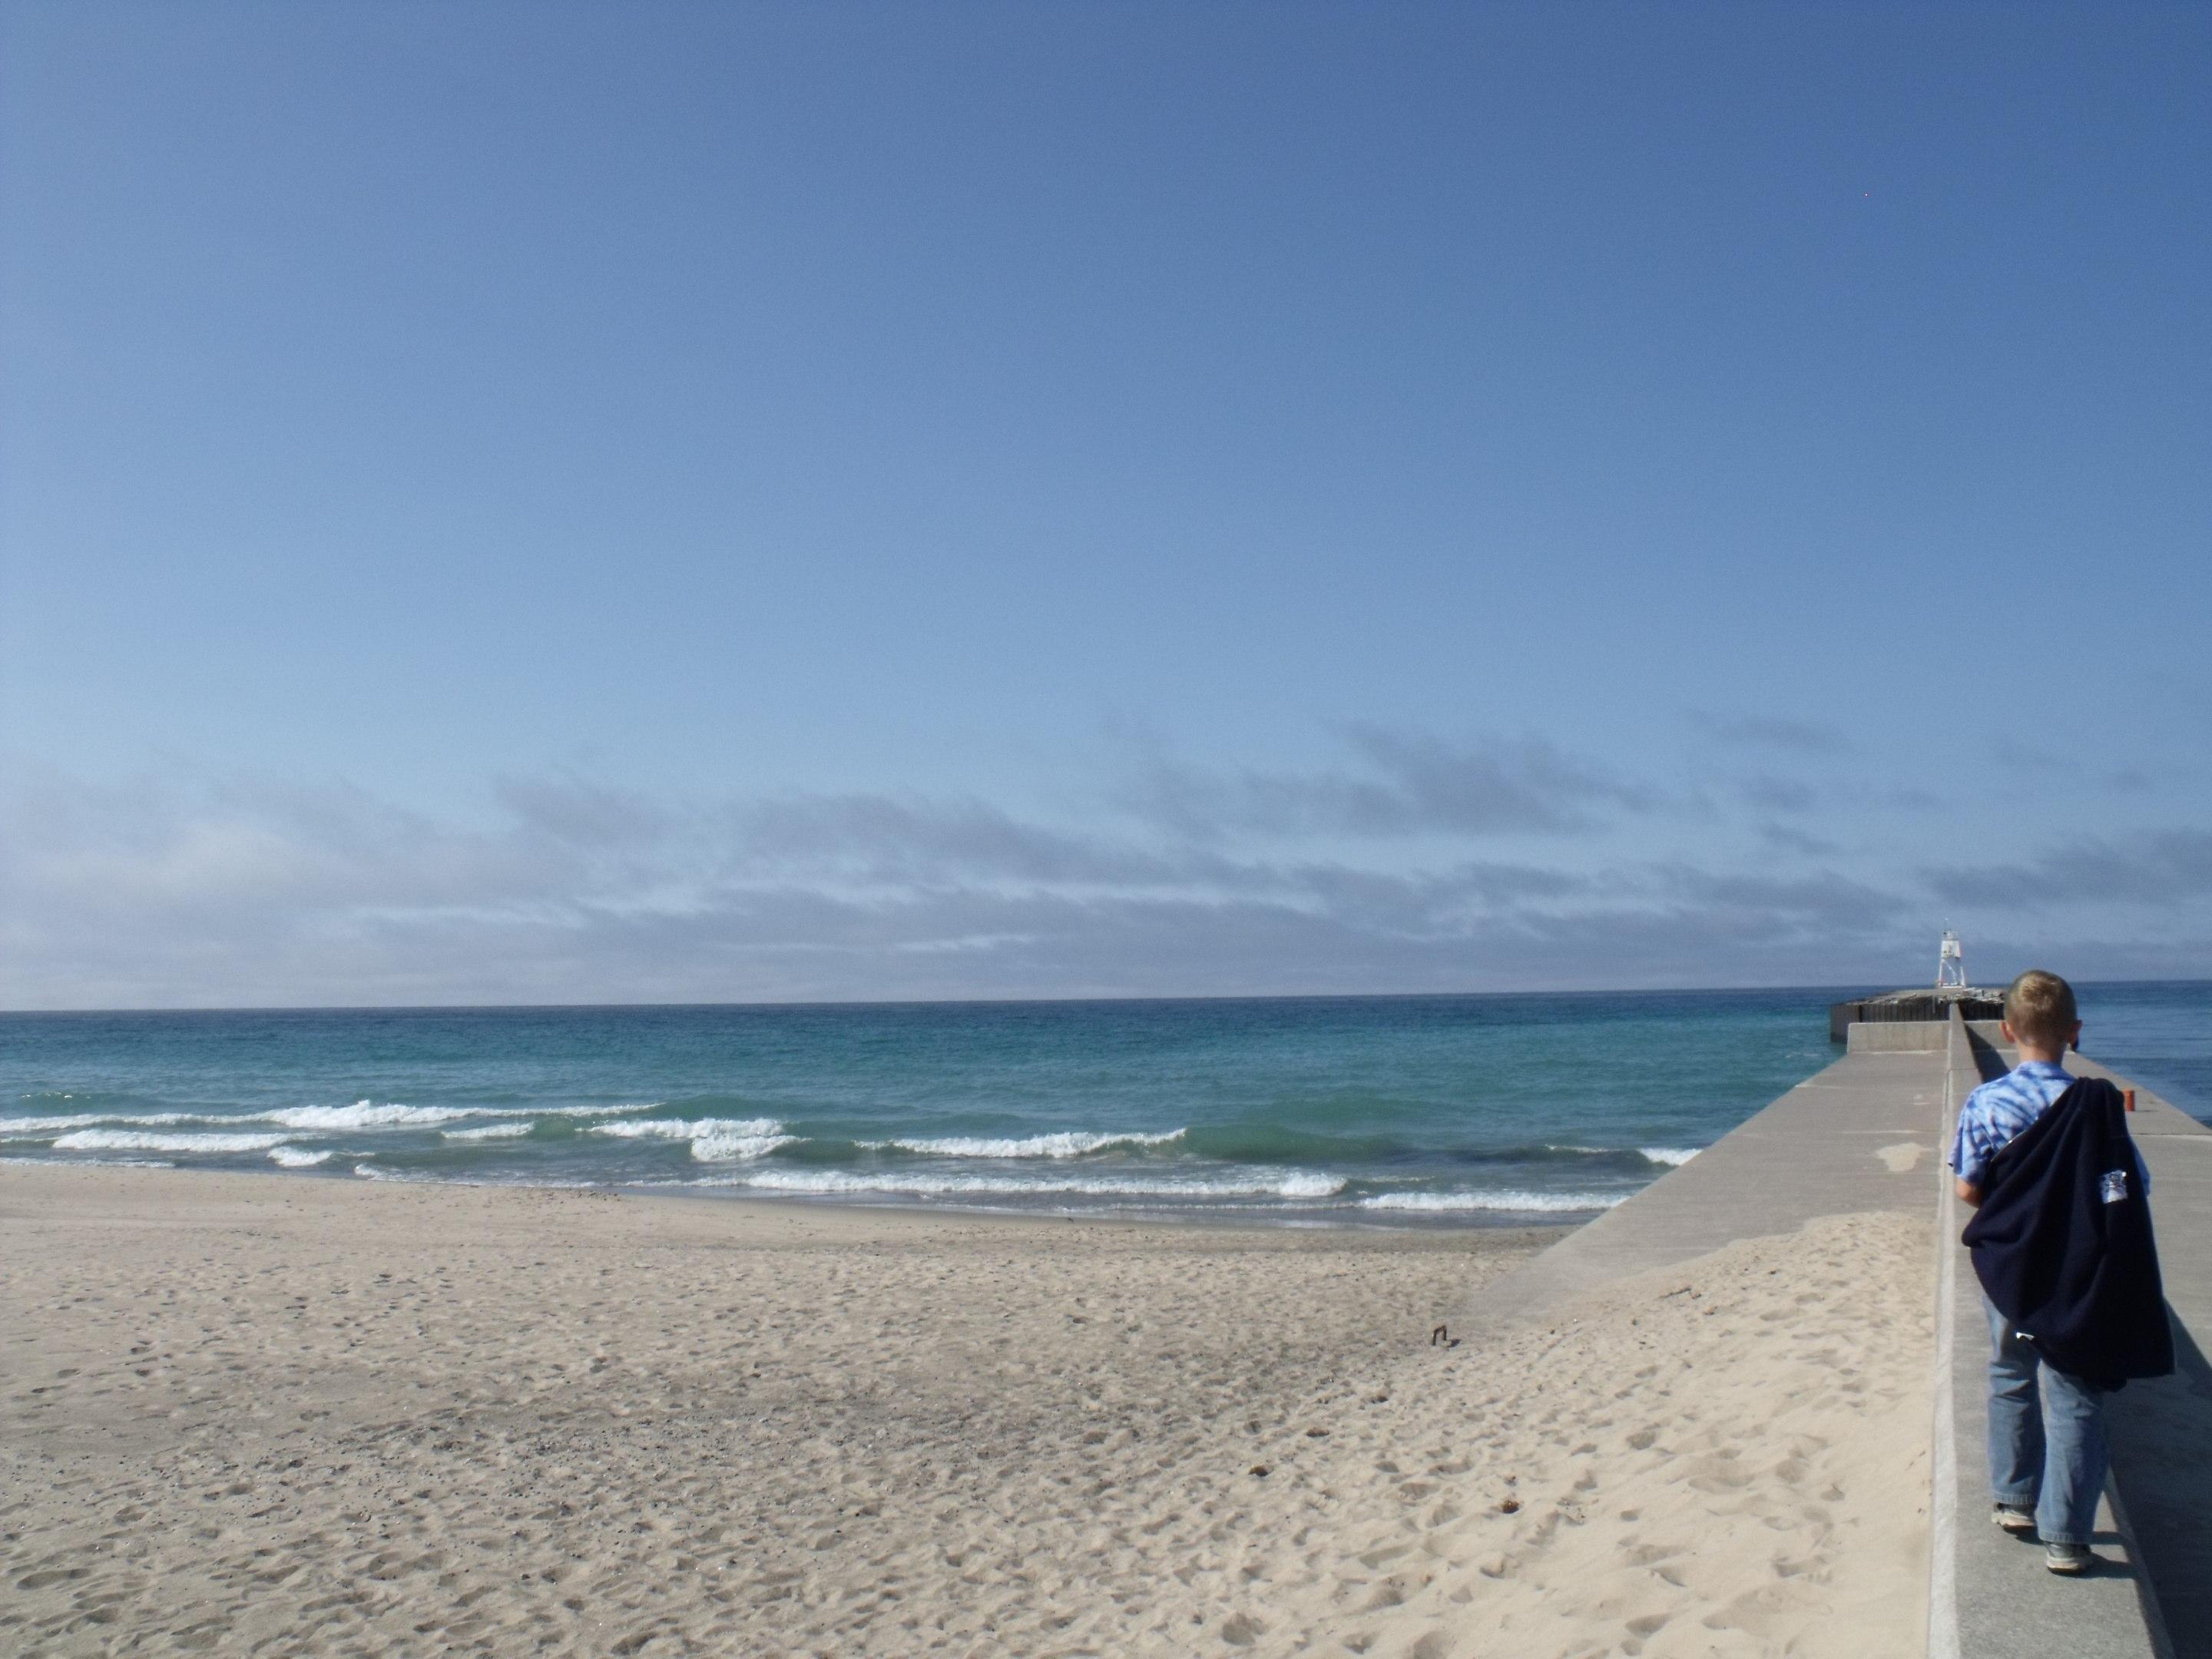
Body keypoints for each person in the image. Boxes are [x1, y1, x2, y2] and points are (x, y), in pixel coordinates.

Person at [1949, 969, 2154, 1575]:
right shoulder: (2096, 1107)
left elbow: (1966, 1188)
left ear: (2008, 1029)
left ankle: (2014, 1499)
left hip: (2009, 1268)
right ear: (2075, 1032)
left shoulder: (1987, 1102)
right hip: (2077, 1270)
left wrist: (2015, 1215)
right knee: (2075, 1390)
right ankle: (2067, 1536)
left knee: (2009, 1370)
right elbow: (2129, 1184)